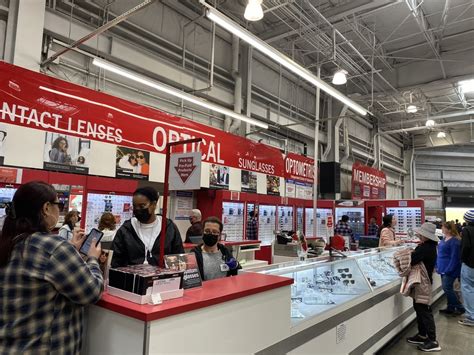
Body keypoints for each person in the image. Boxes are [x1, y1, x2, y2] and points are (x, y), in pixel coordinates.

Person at [0, 181, 103, 354]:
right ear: (46, 208)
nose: (60, 210)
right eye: (59, 204)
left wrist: (70, 250)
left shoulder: (8, 243)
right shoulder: (53, 247)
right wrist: (93, 259)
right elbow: (91, 291)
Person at [111, 187, 184, 267]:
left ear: (154, 204)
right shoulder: (125, 230)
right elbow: (116, 260)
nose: (138, 209)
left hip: (163, 278)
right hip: (133, 278)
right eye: (135, 206)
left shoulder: (169, 228)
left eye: (142, 206)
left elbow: (179, 257)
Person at [406, 222, 441, 352]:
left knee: (424, 310)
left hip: (423, 283)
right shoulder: (429, 246)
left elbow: (412, 260)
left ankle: (433, 340)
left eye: (421, 233)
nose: (419, 234)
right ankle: (422, 335)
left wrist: (409, 253)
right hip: (422, 282)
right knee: (419, 307)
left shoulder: (425, 248)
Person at [192, 216, 240, 281]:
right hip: (204, 290)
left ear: (219, 235)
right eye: (207, 231)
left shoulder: (225, 251)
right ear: (202, 233)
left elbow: (237, 272)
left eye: (215, 232)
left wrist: (235, 265)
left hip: (225, 290)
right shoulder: (194, 254)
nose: (211, 234)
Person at [437, 221, 464, 315]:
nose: (441, 228)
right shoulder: (444, 239)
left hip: (449, 269)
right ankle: (450, 307)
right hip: (442, 268)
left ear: (448, 229)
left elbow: (455, 258)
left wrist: (449, 269)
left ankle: (459, 307)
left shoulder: (455, 241)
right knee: (447, 288)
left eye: (443, 227)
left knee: (447, 288)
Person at [459, 210, 474, 327]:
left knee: (468, 289)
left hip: (469, 264)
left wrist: (462, 259)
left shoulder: (466, 230)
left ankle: (471, 317)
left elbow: (466, 247)